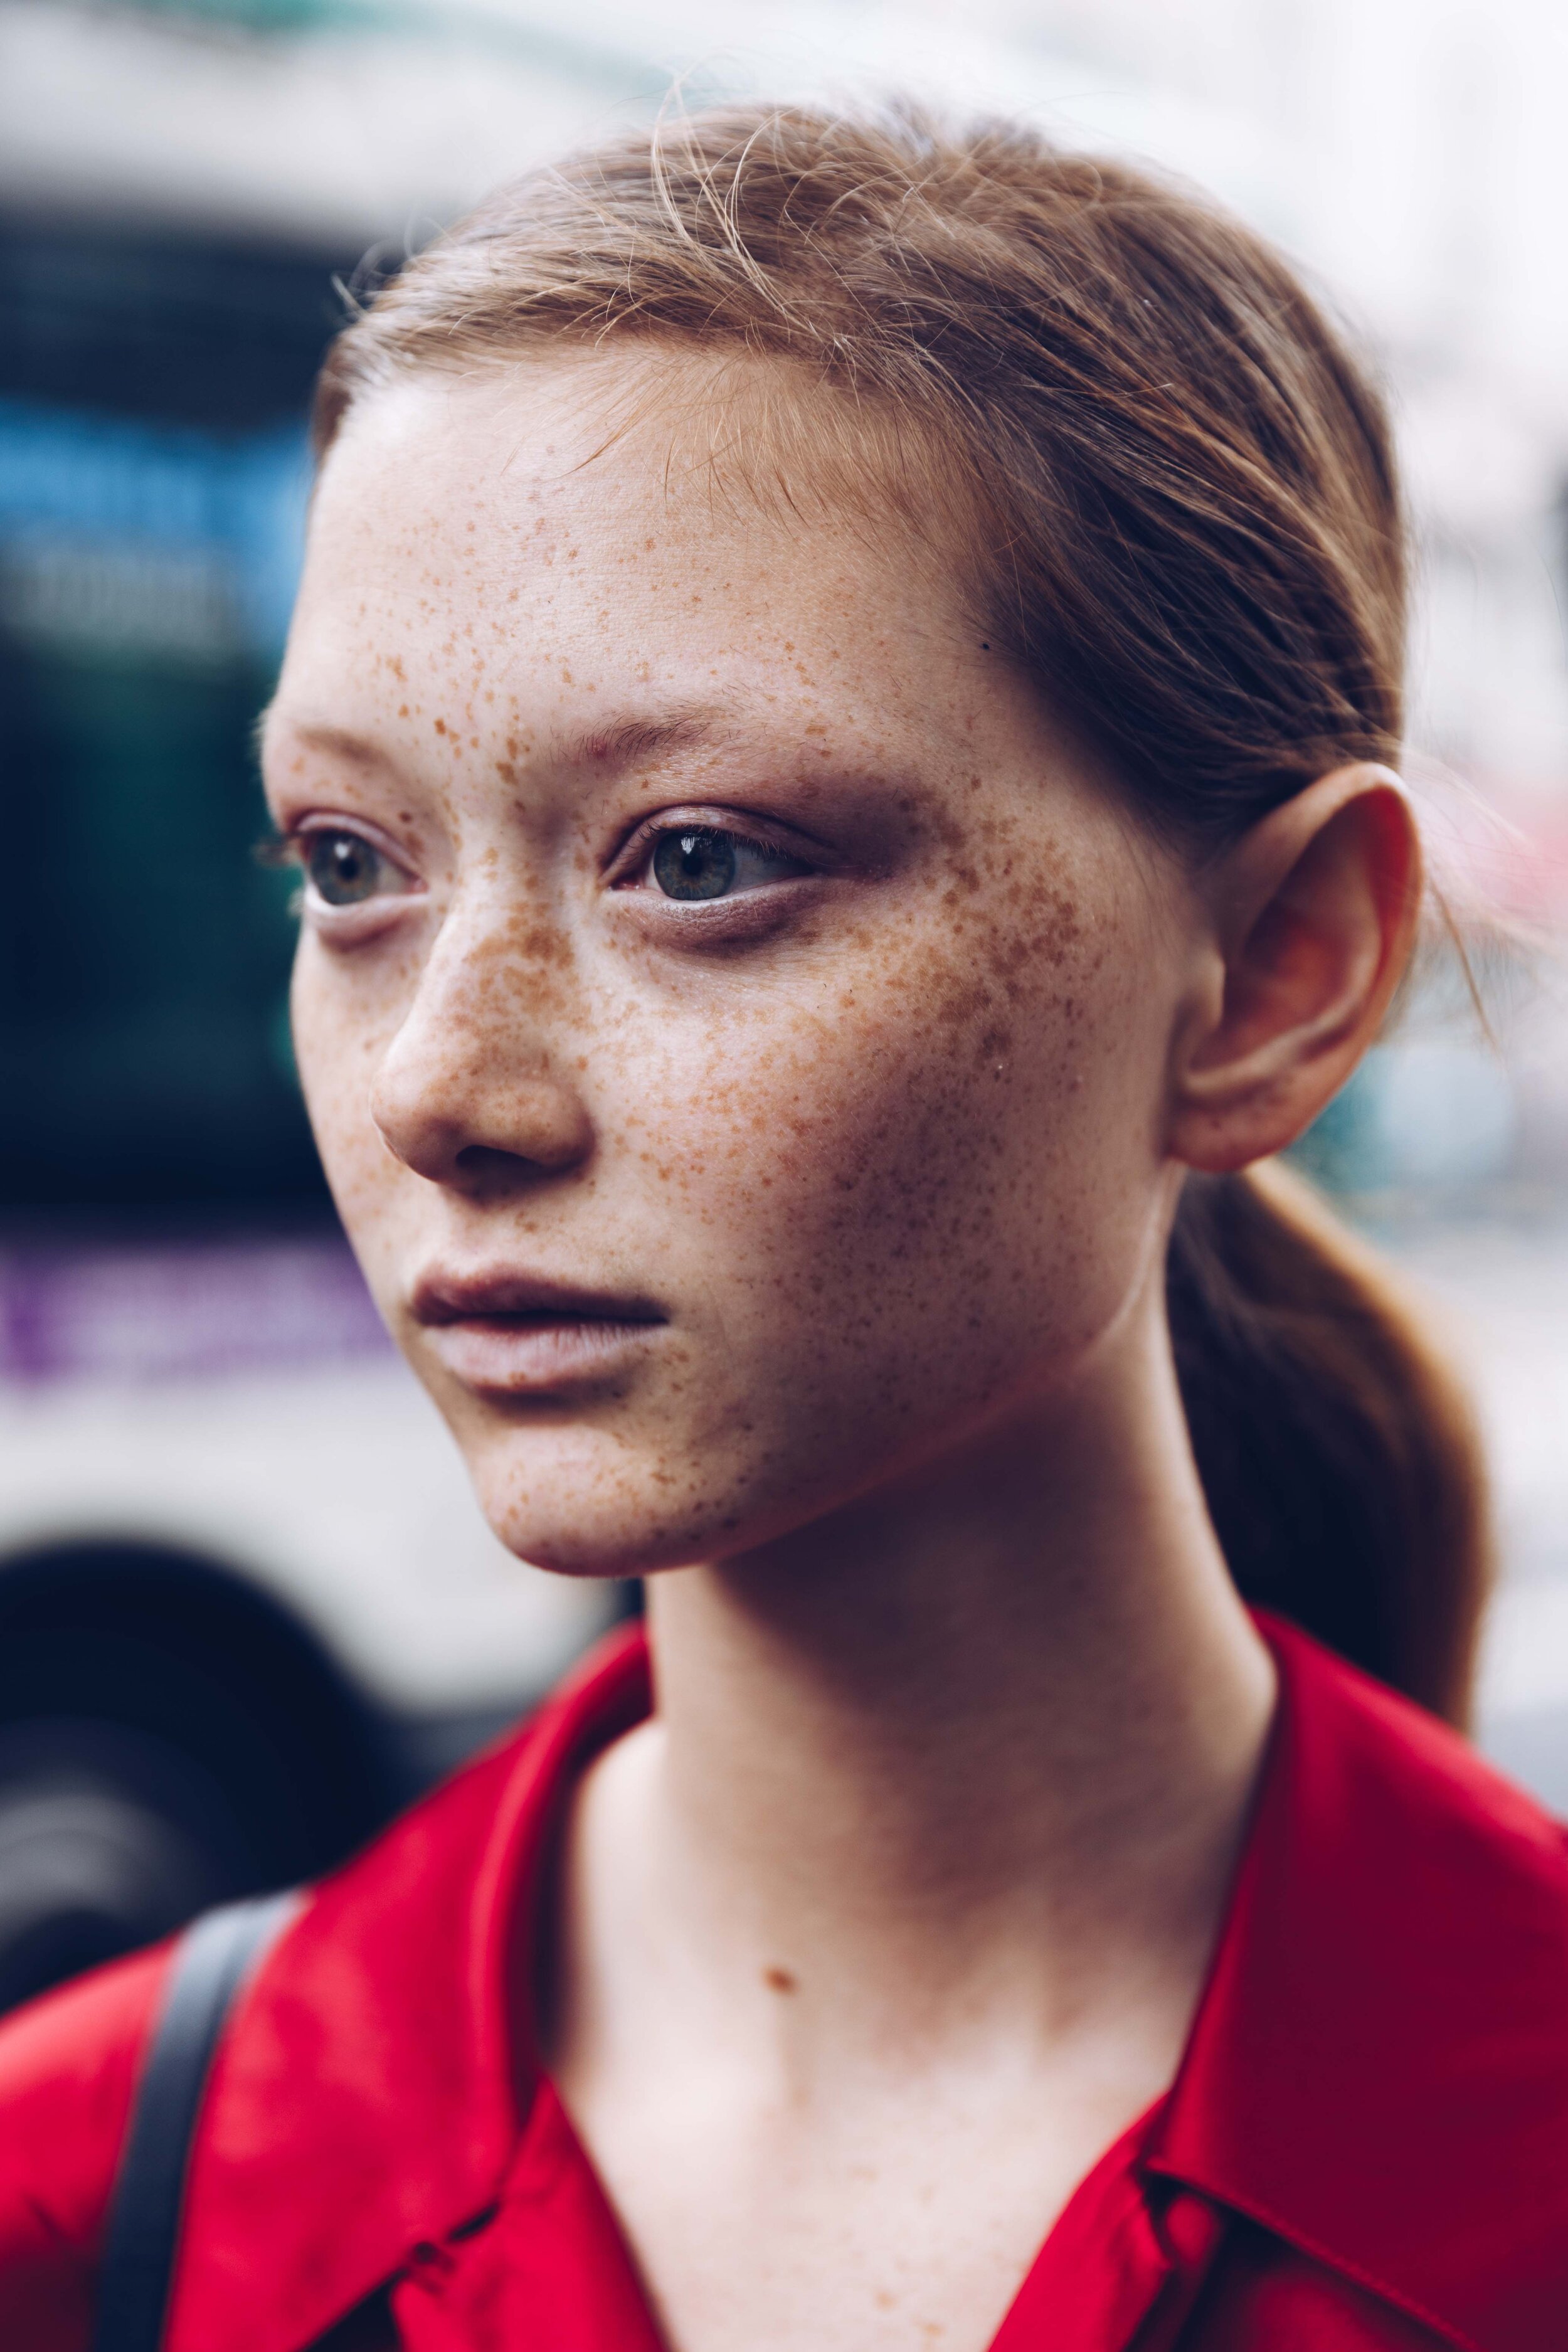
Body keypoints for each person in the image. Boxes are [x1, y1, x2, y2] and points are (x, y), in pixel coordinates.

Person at [3, 103, 1565, 2352]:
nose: (442, 1085)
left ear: (1279, 969)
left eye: (702, 859)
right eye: (346, 864)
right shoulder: (81, 2210)